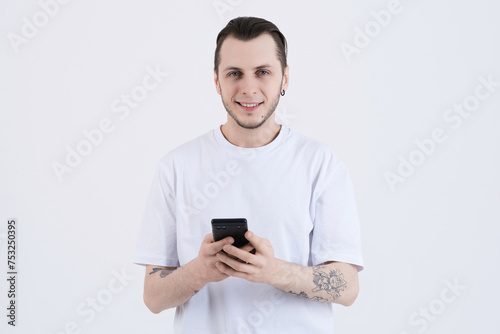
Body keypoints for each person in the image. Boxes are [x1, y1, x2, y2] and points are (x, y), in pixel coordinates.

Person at [132, 16, 364, 333]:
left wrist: (273, 271)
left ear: (284, 79)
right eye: (235, 74)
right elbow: (153, 298)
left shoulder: (320, 164)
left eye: (263, 72)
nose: (249, 88)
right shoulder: (177, 167)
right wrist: (202, 270)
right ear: (217, 81)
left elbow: (348, 287)